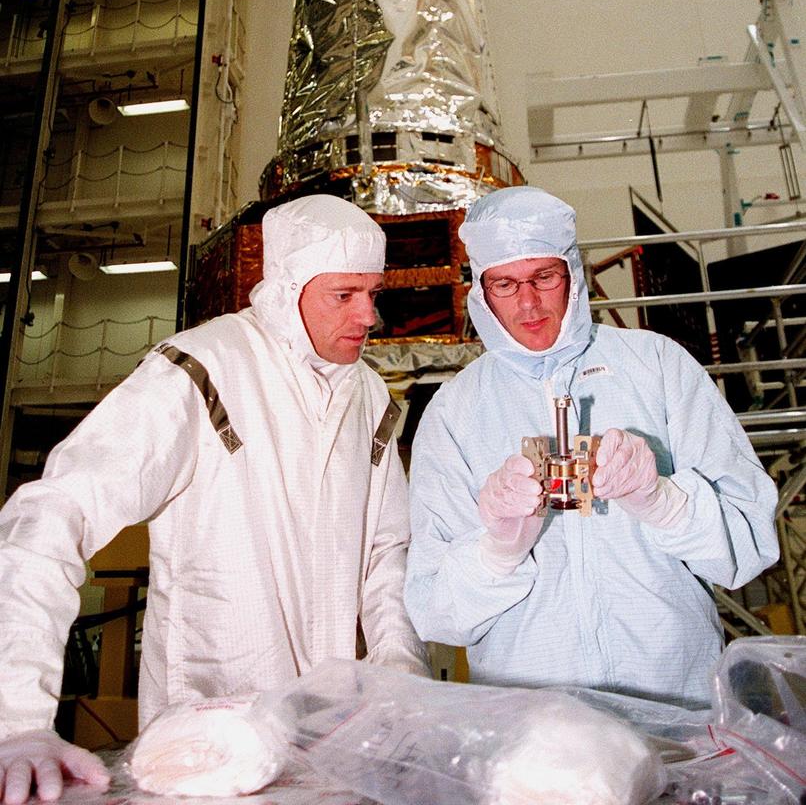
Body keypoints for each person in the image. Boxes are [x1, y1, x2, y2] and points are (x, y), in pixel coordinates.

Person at [0, 193, 427, 803]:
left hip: (327, 750)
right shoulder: (202, 371)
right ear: (286, 289)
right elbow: (51, 515)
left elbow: (388, 556)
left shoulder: (370, 400)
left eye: (373, 294)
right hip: (203, 749)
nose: (368, 316)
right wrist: (14, 721)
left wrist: (399, 675)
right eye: (343, 295)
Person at [404, 186, 779, 708]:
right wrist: (497, 552)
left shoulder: (658, 367)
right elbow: (437, 615)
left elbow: (749, 548)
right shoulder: (454, 412)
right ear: (481, 292)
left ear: (573, 276)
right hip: (534, 717)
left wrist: (662, 502)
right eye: (506, 283)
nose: (529, 302)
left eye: (544, 277)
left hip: (675, 696)